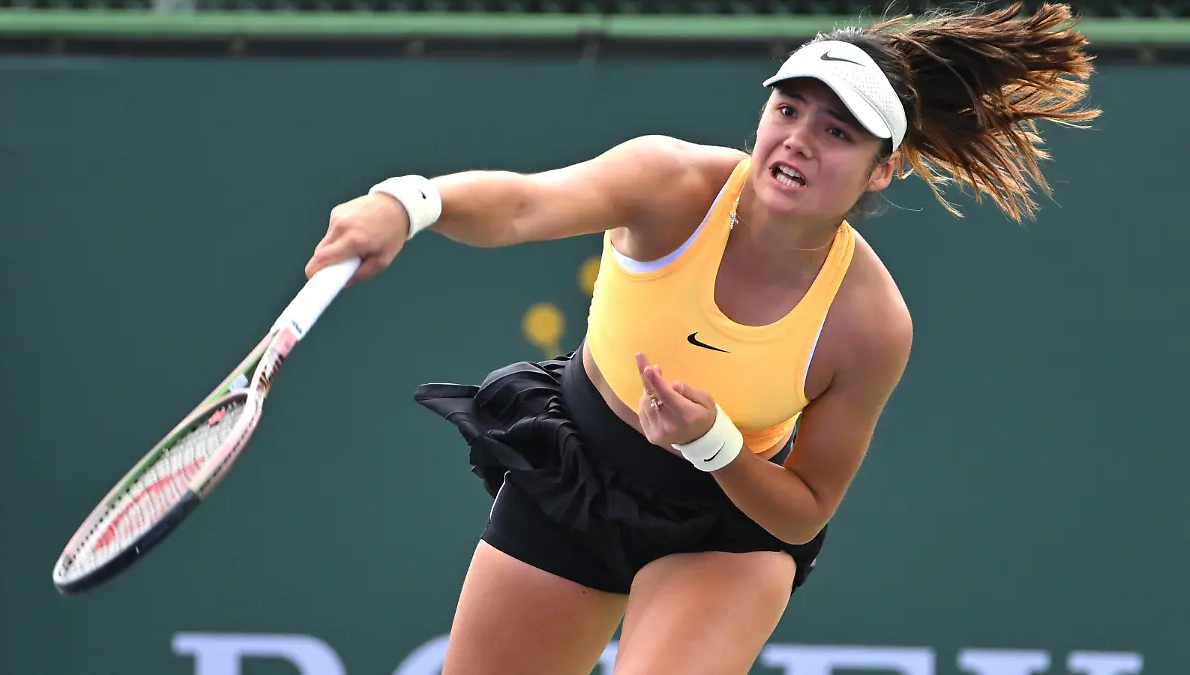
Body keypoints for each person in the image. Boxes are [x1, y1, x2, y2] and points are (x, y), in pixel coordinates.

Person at [305, 2, 1099, 673]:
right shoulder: (670, 183)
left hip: (724, 529)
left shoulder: (869, 322)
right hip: (576, 472)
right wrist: (407, 204)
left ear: (880, 171)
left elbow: (806, 508)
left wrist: (714, 443)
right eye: (788, 110)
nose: (796, 139)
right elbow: (520, 207)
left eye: (836, 132)